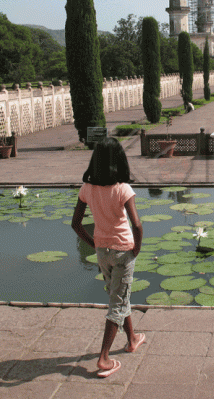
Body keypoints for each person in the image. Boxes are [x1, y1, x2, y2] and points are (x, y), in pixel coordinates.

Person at [71, 137, 145, 378]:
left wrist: (93, 243)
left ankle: (132, 338)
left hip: (102, 252)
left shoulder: (87, 188)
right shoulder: (123, 189)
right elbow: (137, 224)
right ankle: (103, 358)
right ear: (119, 161)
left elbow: (76, 224)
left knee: (119, 294)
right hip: (123, 250)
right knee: (117, 302)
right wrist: (137, 247)